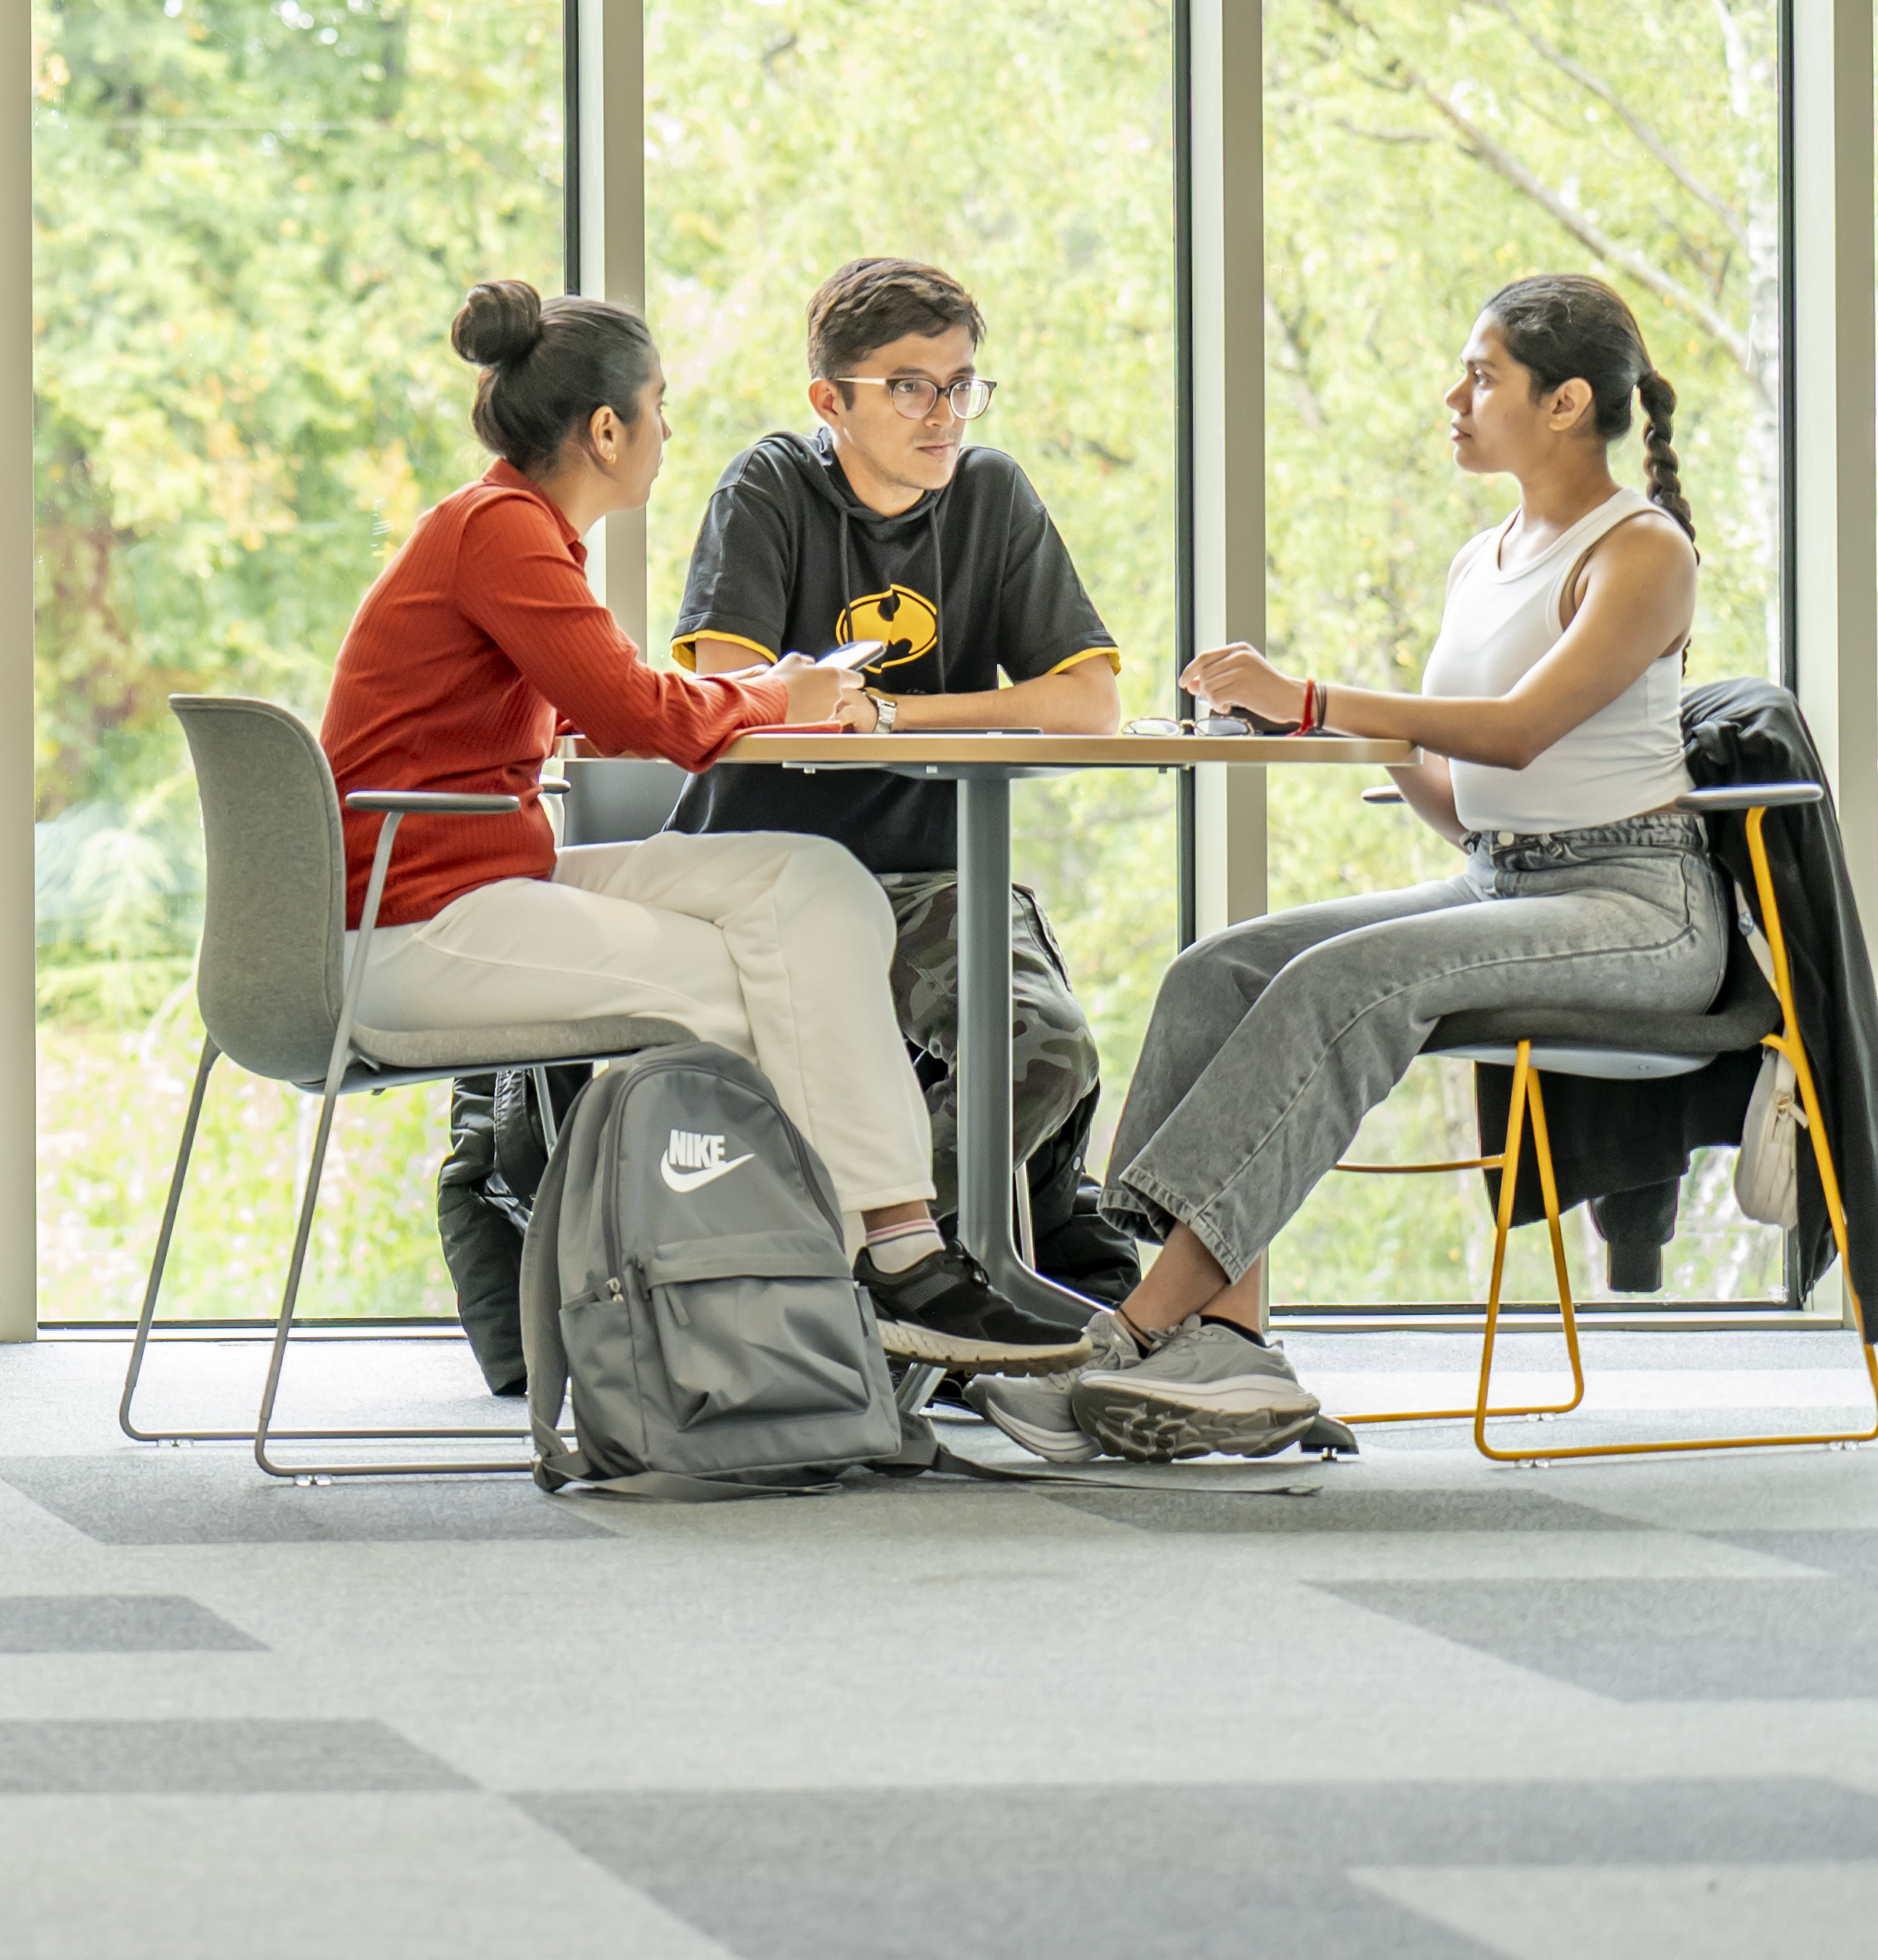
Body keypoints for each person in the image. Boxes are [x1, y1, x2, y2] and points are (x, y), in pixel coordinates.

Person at [993, 273, 1728, 1464]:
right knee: (1218, 968)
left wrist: (1318, 694)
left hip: (1637, 904)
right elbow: (1468, 786)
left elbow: (1520, 729)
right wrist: (1309, 730)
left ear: (1566, 402)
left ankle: (1130, 1334)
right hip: (1506, 879)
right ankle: (1227, 1339)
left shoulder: (1643, 552)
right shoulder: (1480, 558)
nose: (1454, 396)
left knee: (1345, 985)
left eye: (1482, 375)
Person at [325, 280, 1092, 1374]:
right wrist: (786, 696)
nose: (669, 431)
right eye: (660, 405)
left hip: (484, 876)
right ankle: (871, 1275)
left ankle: (891, 1261)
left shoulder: (512, 531)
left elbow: (607, 706)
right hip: (413, 924)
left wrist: (761, 694)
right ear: (605, 429)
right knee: (771, 980)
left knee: (813, 889)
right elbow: (643, 717)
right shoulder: (499, 531)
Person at [667, 257, 1140, 1301]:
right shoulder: (770, 486)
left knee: (1048, 1049)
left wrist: (888, 712)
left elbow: (1088, 699)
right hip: (769, 877)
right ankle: (867, 1285)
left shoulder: (991, 491)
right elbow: (723, 685)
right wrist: (805, 701)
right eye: (911, 386)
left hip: (932, 877)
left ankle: (829, 1275)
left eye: (963, 382)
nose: (945, 412)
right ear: (829, 401)